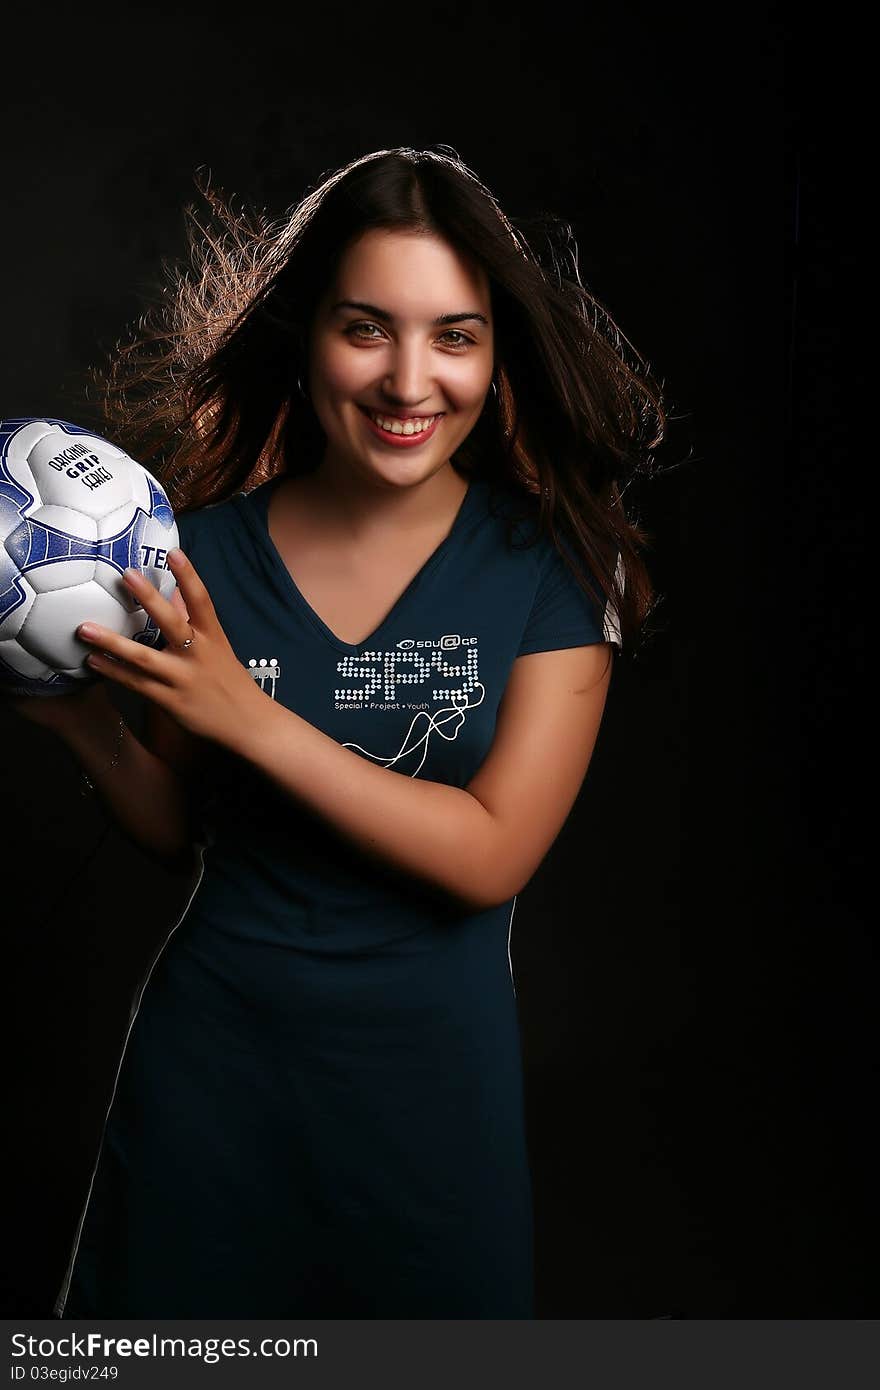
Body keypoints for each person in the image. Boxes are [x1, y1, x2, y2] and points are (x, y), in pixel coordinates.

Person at [12, 145, 664, 1318]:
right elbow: (181, 828)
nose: (409, 380)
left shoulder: (559, 571)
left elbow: (490, 851)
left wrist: (254, 720)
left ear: (494, 352)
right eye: (367, 327)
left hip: (427, 1109)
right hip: (207, 1084)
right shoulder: (192, 551)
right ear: (305, 335)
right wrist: (66, 716)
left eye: (454, 336)